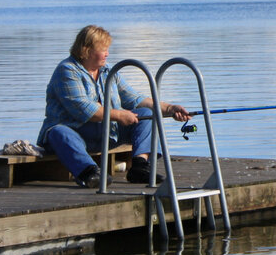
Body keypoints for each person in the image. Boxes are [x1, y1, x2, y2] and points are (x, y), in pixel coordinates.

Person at [38, 25, 192, 189]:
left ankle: (140, 166)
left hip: (106, 133)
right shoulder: (66, 71)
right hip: (75, 132)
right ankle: (89, 173)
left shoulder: (107, 71)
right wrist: (119, 115)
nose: (107, 53)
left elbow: (134, 98)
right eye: (103, 49)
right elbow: (84, 109)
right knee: (58, 132)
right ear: (86, 50)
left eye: (107, 49)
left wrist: (169, 109)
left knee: (146, 114)